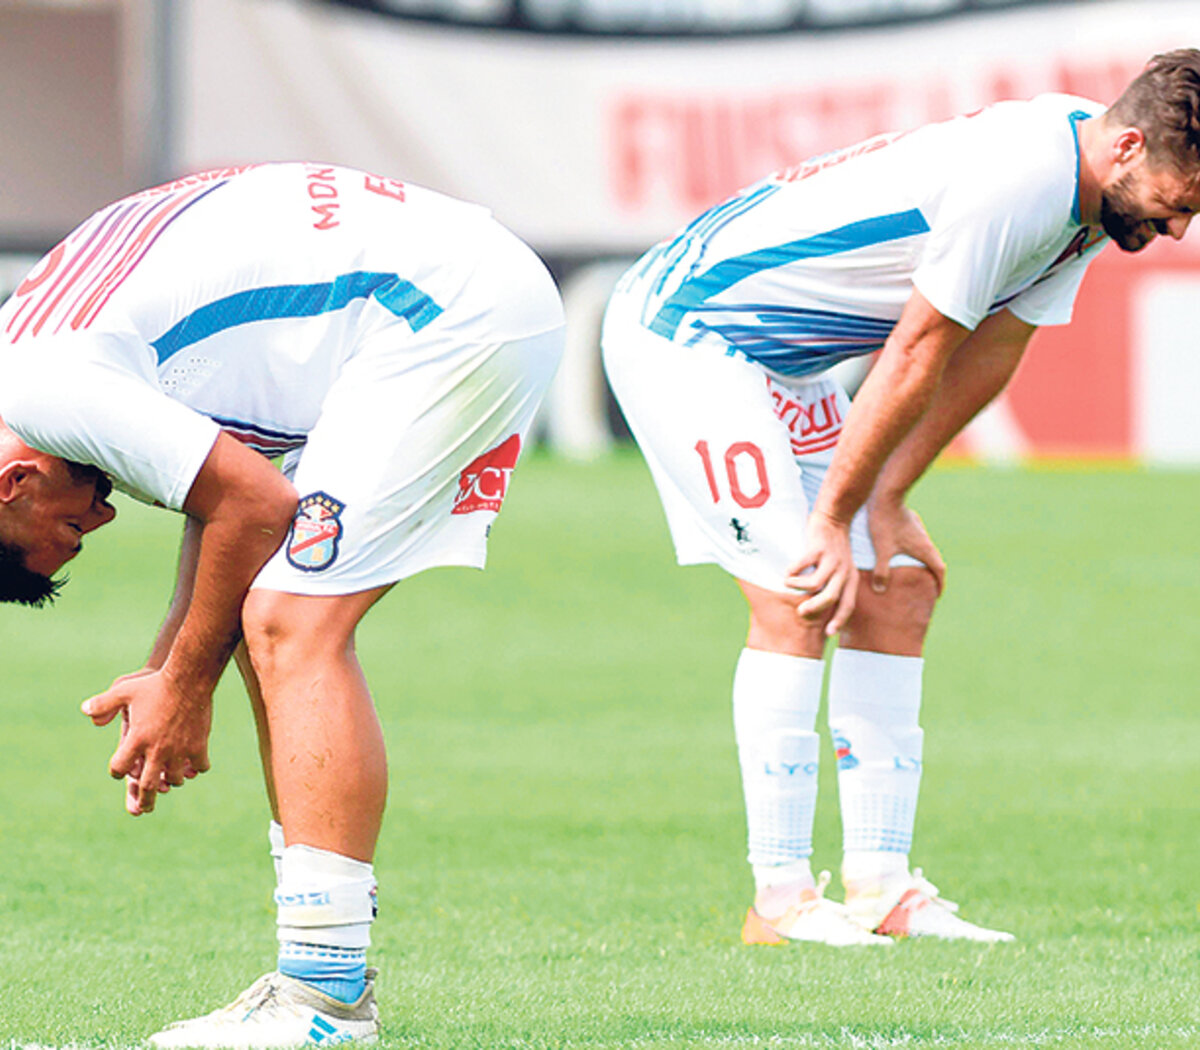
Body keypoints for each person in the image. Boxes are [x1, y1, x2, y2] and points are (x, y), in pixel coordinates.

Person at [602, 50, 1200, 947]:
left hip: (784, 361)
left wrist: (888, 495)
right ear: (1127, 148)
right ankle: (779, 902)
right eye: (1181, 201)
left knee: (898, 591)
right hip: (693, 334)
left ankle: (881, 891)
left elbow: (995, 347)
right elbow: (918, 349)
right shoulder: (1025, 180)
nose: (1181, 228)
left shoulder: (1093, 192)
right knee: (802, 586)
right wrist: (837, 516)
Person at [0, 162, 564, 1045]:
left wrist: (185, 686)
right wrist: (166, 674)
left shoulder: (48, 391)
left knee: (292, 623)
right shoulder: (26, 363)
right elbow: (228, 508)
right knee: (274, 610)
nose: (105, 514)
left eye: (70, 530)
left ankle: (325, 1001)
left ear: (14, 482)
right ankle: (319, 983)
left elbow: (254, 507)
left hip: (439, 310)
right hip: (435, 284)